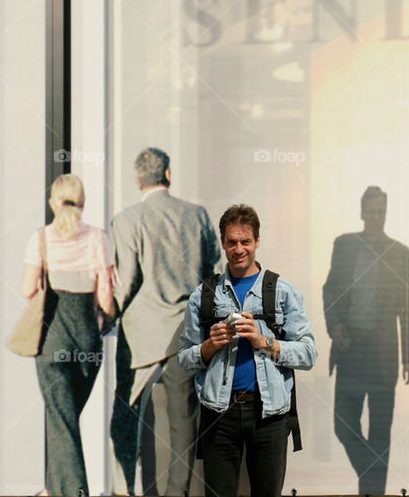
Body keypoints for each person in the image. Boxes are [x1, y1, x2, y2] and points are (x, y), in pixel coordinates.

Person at [178, 204, 317, 497]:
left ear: (256, 241)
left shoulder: (282, 291)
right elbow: (184, 360)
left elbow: (308, 354)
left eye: (245, 241)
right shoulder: (203, 295)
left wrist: (264, 342)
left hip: (270, 415)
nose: (238, 249)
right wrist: (208, 346)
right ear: (223, 244)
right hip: (218, 413)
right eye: (231, 242)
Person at [109, 147, 221, 495]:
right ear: (168, 175)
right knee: (182, 418)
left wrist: (103, 317)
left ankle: (123, 488)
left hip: (141, 333)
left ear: (137, 179)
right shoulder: (197, 215)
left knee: (125, 415)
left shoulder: (127, 221)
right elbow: (215, 273)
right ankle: (177, 492)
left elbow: (125, 282)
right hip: (186, 329)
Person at [20, 173, 115, 497]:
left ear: (52, 203)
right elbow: (105, 299)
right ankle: (52, 489)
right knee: (64, 418)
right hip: (88, 342)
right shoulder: (98, 238)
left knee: (62, 420)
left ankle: (74, 493)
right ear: (83, 202)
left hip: (52, 341)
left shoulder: (41, 239)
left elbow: (27, 288)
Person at [323, 185, 409, 495]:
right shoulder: (345, 245)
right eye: (372, 211)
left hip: (383, 357)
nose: (377, 218)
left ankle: (372, 492)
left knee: (380, 435)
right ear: (362, 212)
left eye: (382, 212)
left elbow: (408, 308)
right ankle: (374, 475)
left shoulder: (400, 253)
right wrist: (334, 325)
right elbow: (331, 290)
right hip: (351, 350)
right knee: (343, 424)